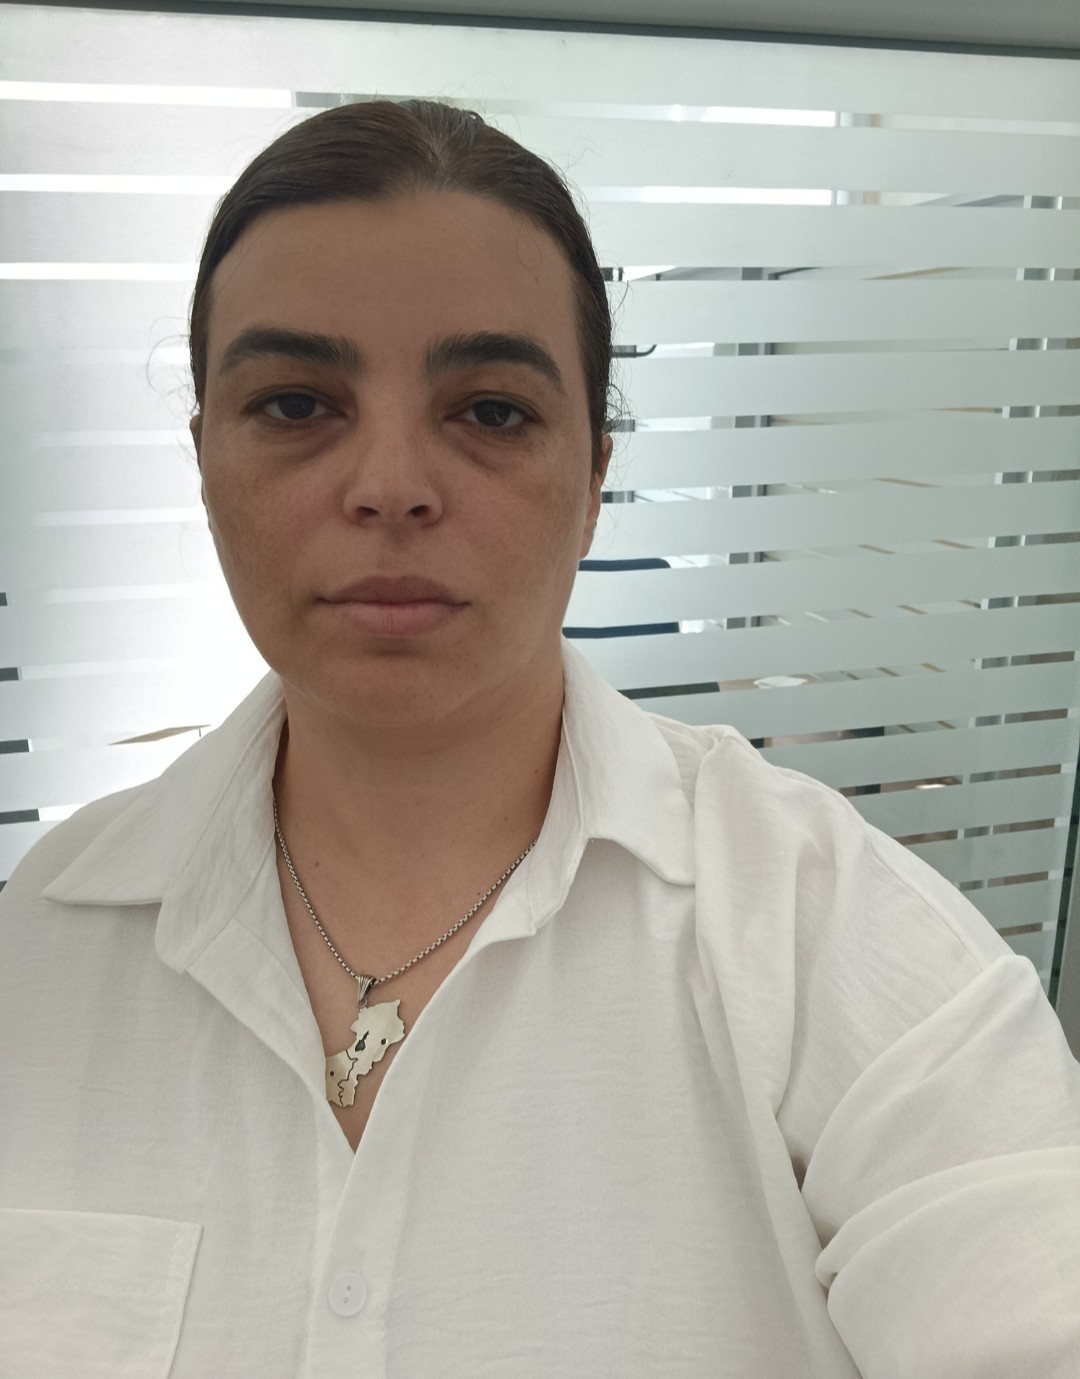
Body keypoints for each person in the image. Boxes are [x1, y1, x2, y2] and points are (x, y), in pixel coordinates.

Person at [1, 99, 1078, 1379]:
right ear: (204, 462)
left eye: (492, 411)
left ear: (595, 477)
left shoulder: (821, 930)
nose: (390, 485)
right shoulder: (38, 946)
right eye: (294, 403)